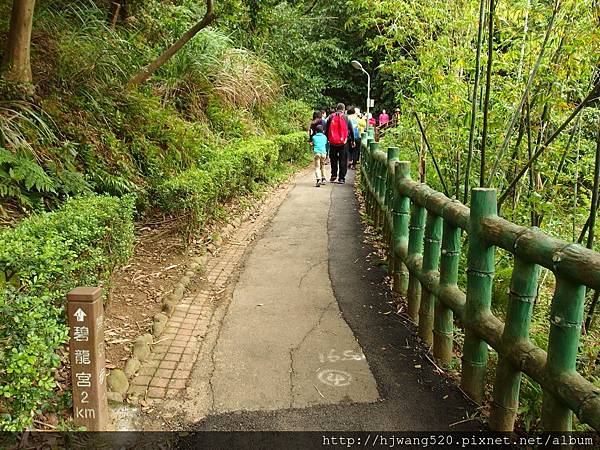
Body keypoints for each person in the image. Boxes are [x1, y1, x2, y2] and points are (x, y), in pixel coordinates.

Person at [324, 103, 355, 184]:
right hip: (343, 142)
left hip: (333, 142)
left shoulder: (331, 117)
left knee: (333, 159)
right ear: (344, 109)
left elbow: (327, 129)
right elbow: (351, 130)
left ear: (336, 108)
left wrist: (328, 139)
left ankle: (333, 175)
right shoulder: (346, 117)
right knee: (343, 160)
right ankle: (341, 178)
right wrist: (353, 140)